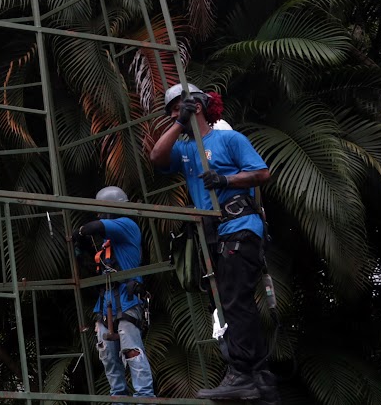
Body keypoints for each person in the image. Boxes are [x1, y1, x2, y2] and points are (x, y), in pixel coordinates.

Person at [148, 83, 278, 403]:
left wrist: (226, 179)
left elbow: (262, 173)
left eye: (180, 107)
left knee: (234, 301)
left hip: (240, 226)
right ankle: (258, 376)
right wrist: (179, 123)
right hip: (215, 234)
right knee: (227, 303)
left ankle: (243, 372)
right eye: (173, 110)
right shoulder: (185, 149)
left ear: (199, 106)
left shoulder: (228, 139)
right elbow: (156, 157)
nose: (176, 113)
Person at [72, 186, 155, 398]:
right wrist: (80, 248)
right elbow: (95, 263)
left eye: (101, 210)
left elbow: (94, 226)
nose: (99, 215)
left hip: (128, 299)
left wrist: (79, 232)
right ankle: (119, 398)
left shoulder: (127, 225)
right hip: (106, 302)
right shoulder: (108, 243)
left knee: (132, 350)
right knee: (107, 354)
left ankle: (145, 397)